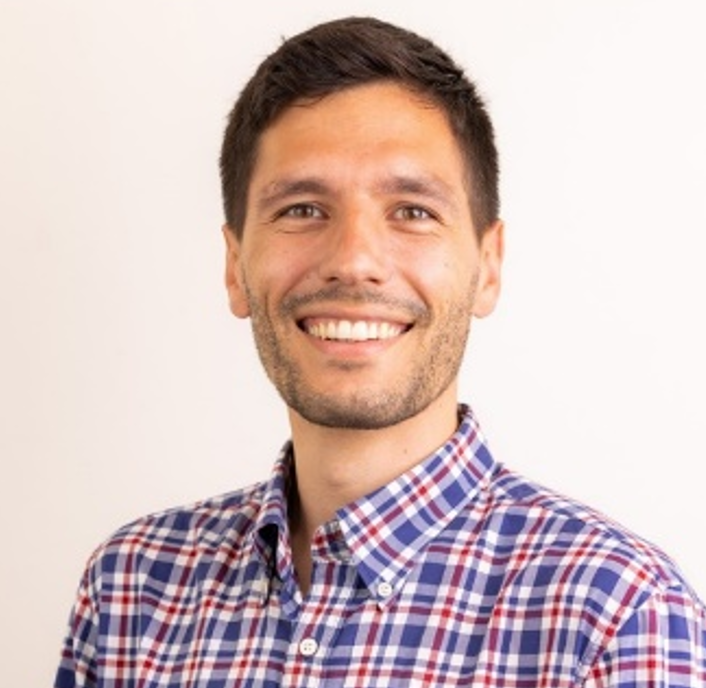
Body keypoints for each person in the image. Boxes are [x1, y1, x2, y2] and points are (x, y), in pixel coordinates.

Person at [55, 16, 706, 687]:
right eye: (302, 209)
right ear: (234, 266)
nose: (355, 261)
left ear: (488, 267)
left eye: (413, 211)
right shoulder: (131, 589)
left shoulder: (620, 615)